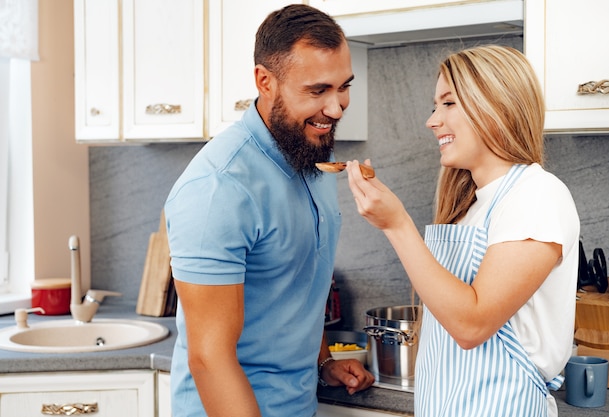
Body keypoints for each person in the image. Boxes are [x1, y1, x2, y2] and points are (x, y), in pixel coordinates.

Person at [346, 45, 580, 417]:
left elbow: (471, 325)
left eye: (449, 103)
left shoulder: (538, 194)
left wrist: (397, 225)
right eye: (434, 106)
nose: (432, 120)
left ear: (497, 106)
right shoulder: (471, 206)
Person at [165, 4, 374, 417]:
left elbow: (297, 281)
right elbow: (210, 359)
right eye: (318, 91)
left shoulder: (310, 155)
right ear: (265, 82)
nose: (336, 108)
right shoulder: (217, 188)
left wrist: (323, 361)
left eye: (343, 86)